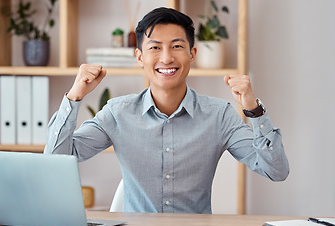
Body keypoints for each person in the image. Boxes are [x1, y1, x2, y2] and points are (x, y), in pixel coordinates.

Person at [44, 7, 289, 214]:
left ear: (192, 54)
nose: (166, 57)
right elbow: (55, 160)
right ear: (139, 57)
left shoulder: (219, 115)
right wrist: (74, 96)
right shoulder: (118, 113)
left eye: (177, 46)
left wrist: (254, 110)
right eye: (155, 48)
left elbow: (276, 171)